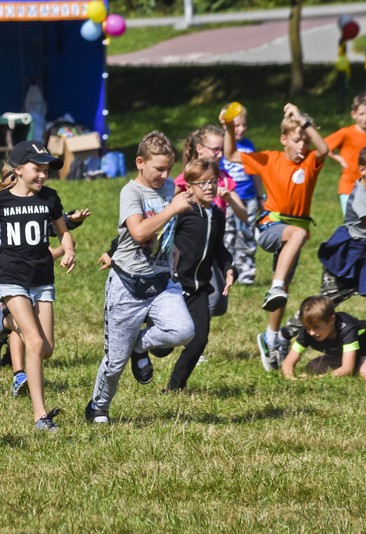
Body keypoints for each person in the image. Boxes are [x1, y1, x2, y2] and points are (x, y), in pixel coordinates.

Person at [85, 131, 194, 424]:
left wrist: (175, 248)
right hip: (127, 286)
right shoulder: (130, 193)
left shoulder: (170, 187)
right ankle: (99, 407)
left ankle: (140, 345)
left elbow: (167, 228)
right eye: (159, 168)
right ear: (140, 162)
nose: (165, 174)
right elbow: (139, 232)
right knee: (115, 362)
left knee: (183, 330)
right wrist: (172, 208)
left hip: (161, 282)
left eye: (169, 168)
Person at [0, 140, 76, 432]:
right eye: (37, 168)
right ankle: (40, 416)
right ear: (17, 170)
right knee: (33, 342)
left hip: (42, 279)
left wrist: (68, 249)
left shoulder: (50, 198)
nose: (43, 175)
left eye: (46, 170)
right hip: (11, 277)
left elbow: (63, 233)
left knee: (46, 349)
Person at [222, 103, 329, 371]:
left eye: (305, 140)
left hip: (293, 235)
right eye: (296, 140)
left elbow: (324, 148)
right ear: (283, 139)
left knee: (283, 289)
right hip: (270, 226)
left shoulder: (310, 163)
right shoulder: (270, 158)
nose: (303, 145)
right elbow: (231, 152)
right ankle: (276, 287)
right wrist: (229, 129)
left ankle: (270, 337)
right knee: (295, 243)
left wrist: (303, 120)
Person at [277, 143, 366, 358]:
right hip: (346, 258)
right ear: (362, 171)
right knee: (325, 304)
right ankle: (283, 336)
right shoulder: (362, 198)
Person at [0, 207, 91, 373]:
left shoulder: (37, 204)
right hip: (4, 271)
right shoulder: (0, 205)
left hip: (34, 274)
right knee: (19, 318)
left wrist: (71, 221)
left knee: (31, 329)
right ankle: (18, 371)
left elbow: (53, 225)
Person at [162, 158, 236, 391]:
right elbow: (162, 236)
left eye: (213, 181)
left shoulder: (217, 215)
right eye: (202, 183)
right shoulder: (182, 211)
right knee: (162, 347)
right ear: (189, 186)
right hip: (174, 285)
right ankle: (141, 347)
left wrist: (228, 268)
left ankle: (175, 386)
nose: (208, 187)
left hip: (199, 288)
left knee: (199, 340)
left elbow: (219, 249)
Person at [174, 124, 246, 318]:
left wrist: (229, 198)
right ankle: (191, 330)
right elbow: (167, 207)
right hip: (191, 248)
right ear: (200, 148)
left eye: (222, 149)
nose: (220, 153)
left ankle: (192, 327)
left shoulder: (223, 178)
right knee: (210, 301)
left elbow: (244, 215)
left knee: (220, 306)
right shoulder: (187, 178)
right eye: (215, 149)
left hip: (213, 244)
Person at [282, 296, 366, 379]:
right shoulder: (308, 332)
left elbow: (347, 369)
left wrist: (317, 379)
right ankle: (360, 363)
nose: (311, 333)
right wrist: (290, 377)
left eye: (316, 327)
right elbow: (288, 362)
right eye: (307, 327)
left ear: (331, 320)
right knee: (313, 367)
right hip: (350, 353)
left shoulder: (347, 328)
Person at [220, 103, 264, 285]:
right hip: (228, 198)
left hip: (249, 198)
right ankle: (227, 272)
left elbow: (256, 173)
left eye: (244, 124)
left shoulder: (248, 146)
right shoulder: (221, 146)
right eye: (236, 125)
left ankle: (247, 274)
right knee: (227, 235)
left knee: (246, 234)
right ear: (225, 125)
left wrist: (260, 197)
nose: (241, 129)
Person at [324, 92, 366, 215]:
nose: (365, 118)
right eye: (361, 114)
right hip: (348, 185)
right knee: (351, 221)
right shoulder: (346, 133)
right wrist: (338, 158)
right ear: (354, 114)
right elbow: (324, 146)